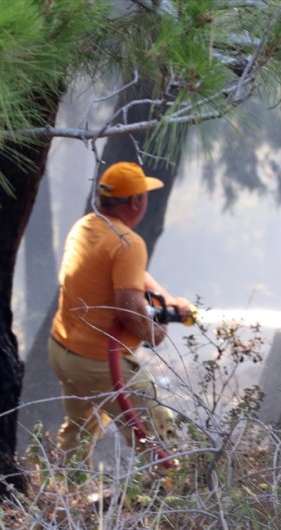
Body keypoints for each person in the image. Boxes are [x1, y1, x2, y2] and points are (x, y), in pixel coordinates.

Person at [49, 161, 193, 466]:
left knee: (79, 431)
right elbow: (129, 308)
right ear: (135, 202)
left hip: (63, 351)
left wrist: (167, 301)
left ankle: (63, 499)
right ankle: (173, 497)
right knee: (158, 431)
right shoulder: (129, 243)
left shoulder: (87, 226)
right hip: (100, 363)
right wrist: (155, 331)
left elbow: (131, 275)